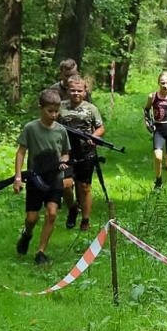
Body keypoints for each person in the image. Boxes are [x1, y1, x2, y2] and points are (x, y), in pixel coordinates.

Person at [12, 88, 75, 266]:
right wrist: (18, 178)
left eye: (57, 111)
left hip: (55, 179)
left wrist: (63, 161)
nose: (54, 115)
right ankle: (27, 234)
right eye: (50, 111)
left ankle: (41, 252)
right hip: (35, 180)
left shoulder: (61, 131)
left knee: (52, 214)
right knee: (32, 218)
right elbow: (21, 153)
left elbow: (65, 153)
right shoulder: (30, 128)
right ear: (41, 108)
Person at [57, 75, 104, 231]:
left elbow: (100, 127)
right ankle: (72, 208)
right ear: (67, 91)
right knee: (65, 185)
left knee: (84, 187)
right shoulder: (60, 106)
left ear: (85, 91)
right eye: (72, 90)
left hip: (86, 151)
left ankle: (85, 219)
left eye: (79, 90)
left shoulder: (91, 108)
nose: (76, 93)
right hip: (65, 151)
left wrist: (94, 137)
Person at [143, 71, 167, 188]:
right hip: (158, 130)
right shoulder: (152, 96)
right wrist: (147, 122)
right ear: (158, 83)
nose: (165, 86)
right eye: (163, 83)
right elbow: (146, 110)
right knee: (158, 156)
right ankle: (158, 180)